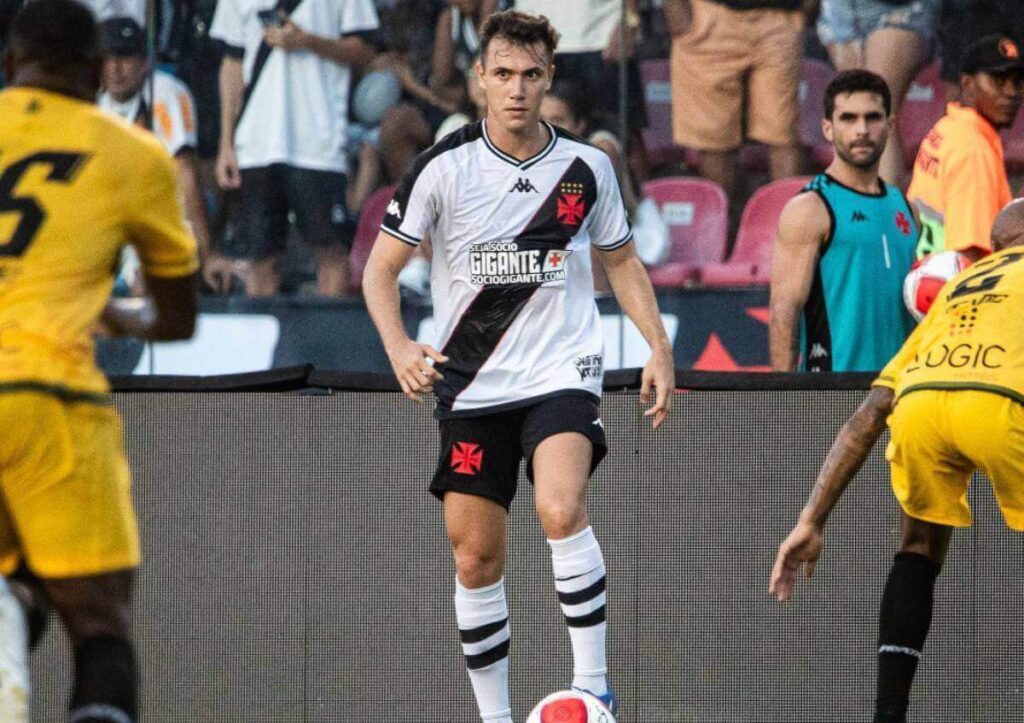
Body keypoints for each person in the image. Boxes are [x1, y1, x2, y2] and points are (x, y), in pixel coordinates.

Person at [363, 11, 674, 722]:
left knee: (560, 506)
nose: (517, 89)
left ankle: (593, 688)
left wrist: (657, 345)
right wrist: (400, 347)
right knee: (475, 558)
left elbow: (621, 260)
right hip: (471, 385)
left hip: (561, 369)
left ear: (549, 79)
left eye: (531, 75)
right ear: (478, 79)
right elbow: (380, 273)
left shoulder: (586, 168)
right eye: (503, 73)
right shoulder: (442, 167)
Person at [0, 1, 199, 720]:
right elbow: (176, 316)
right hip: (51, 398)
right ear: (94, 73)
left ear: (11, 66)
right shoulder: (130, 152)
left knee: (18, 586)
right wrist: (115, 310)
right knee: (100, 624)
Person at [770, 198, 1024, 723]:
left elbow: (869, 415)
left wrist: (811, 519)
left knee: (918, 547)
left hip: (922, 409)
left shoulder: (958, 289)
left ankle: (889, 714)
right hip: (1001, 406)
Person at [210, 0, 378, 296]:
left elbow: (364, 50)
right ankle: (260, 340)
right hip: (256, 140)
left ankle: (330, 340)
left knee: (330, 251)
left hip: (317, 139)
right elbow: (232, 62)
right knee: (260, 257)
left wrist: (307, 41)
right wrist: (226, 142)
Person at [770, 70, 919, 373]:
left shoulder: (906, 207)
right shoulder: (810, 208)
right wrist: (781, 403)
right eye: (848, 118)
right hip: (832, 391)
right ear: (827, 127)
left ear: (889, 125)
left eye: (872, 118)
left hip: (899, 394)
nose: (861, 129)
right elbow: (782, 311)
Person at [97, 16, 236, 293]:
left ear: (144, 61)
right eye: (107, 58)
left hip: (163, 221)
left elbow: (186, 176)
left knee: (147, 283)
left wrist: (208, 254)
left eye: (124, 57)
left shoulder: (165, 92)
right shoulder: (94, 104)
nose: (115, 68)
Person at [664, 0, 805, 204]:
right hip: (709, 17)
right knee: (714, 141)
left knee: (783, 135)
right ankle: (719, 230)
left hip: (779, 15)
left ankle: (794, 231)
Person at [907, 33, 1024, 261]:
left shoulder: (949, 127)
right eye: (998, 81)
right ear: (967, 84)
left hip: (926, 274)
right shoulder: (973, 151)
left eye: (1017, 82)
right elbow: (970, 255)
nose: (1011, 93)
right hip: (951, 286)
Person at [816, 0, 940, 187]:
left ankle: (884, 210)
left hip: (901, 9)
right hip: (842, 12)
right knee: (852, 103)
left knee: (876, 101)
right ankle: (851, 205)